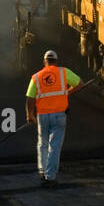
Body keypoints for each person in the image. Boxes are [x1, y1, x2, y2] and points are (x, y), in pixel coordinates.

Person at [25, 50, 81, 187]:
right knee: (54, 146)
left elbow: (30, 98)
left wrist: (29, 115)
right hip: (59, 116)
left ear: (45, 61)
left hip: (42, 116)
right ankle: (50, 176)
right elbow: (80, 84)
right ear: (56, 61)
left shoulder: (36, 77)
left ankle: (42, 170)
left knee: (42, 144)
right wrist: (66, 93)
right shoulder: (63, 72)